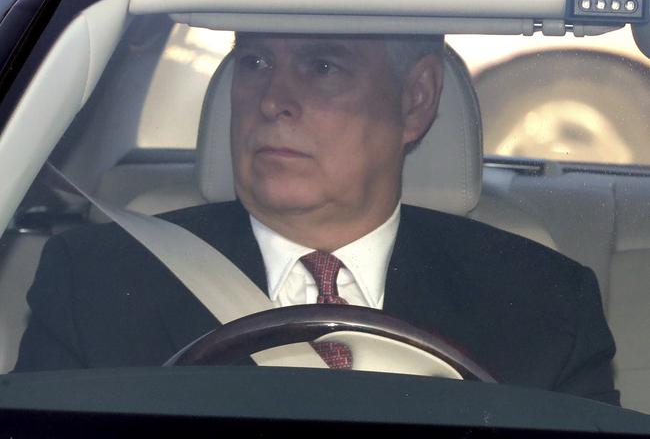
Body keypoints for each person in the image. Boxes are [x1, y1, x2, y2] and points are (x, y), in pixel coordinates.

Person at [13, 33, 620, 406]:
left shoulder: (544, 303)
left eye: (323, 66)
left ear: (416, 100)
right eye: (253, 62)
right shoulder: (95, 281)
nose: (273, 100)